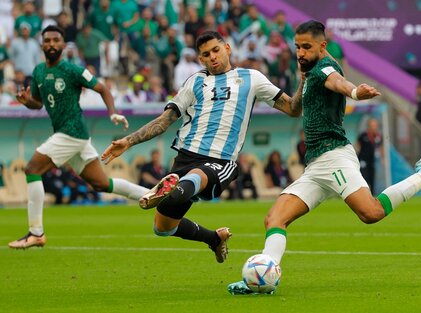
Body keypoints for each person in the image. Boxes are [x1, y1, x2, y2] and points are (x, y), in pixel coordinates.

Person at [227, 20, 421, 295]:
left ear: (322, 47)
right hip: (315, 166)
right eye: (297, 47)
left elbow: (336, 81)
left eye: (306, 47)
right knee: (274, 219)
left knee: (371, 213)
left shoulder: (322, 69)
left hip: (335, 156)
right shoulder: (313, 67)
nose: (300, 53)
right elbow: (305, 95)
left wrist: (353, 91)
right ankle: (262, 279)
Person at [101, 30, 302, 263]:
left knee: (193, 179)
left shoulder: (252, 78)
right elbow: (165, 120)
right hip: (185, 156)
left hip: (219, 160)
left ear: (227, 48)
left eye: (216, 50)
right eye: (206, 55)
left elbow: (292, 109)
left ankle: (170, 189)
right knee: (162, 227)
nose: (212, 57)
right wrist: (128, 141)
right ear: (201, 59)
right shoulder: (195, 81)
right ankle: (214, 238)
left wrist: (304, 78)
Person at [8, 25, 149, 249]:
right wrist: (27, 102)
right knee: (101, 183)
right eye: (48, 40)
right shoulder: (38, 72)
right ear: (42, 45)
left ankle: (36, 233)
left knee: (32, 169)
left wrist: (112, 112)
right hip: (69, 136)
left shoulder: (72, 70)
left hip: (72, 131)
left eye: (56, 40)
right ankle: (154, 195)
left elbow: (102, 88)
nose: (52, 44)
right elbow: (38, 104)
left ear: (63, 45)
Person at [355, 118, 384, 195]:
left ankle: (372, 196)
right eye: (372, 125)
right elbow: (357, 145)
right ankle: (363, 195)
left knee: (372, 179)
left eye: (375, 125)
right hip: (363, 161)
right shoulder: (363, 135)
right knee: (364, 178)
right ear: (369, 126)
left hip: (372, 161)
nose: (374, 127)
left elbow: (381, 148)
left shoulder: (378, 137)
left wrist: (382, 159)